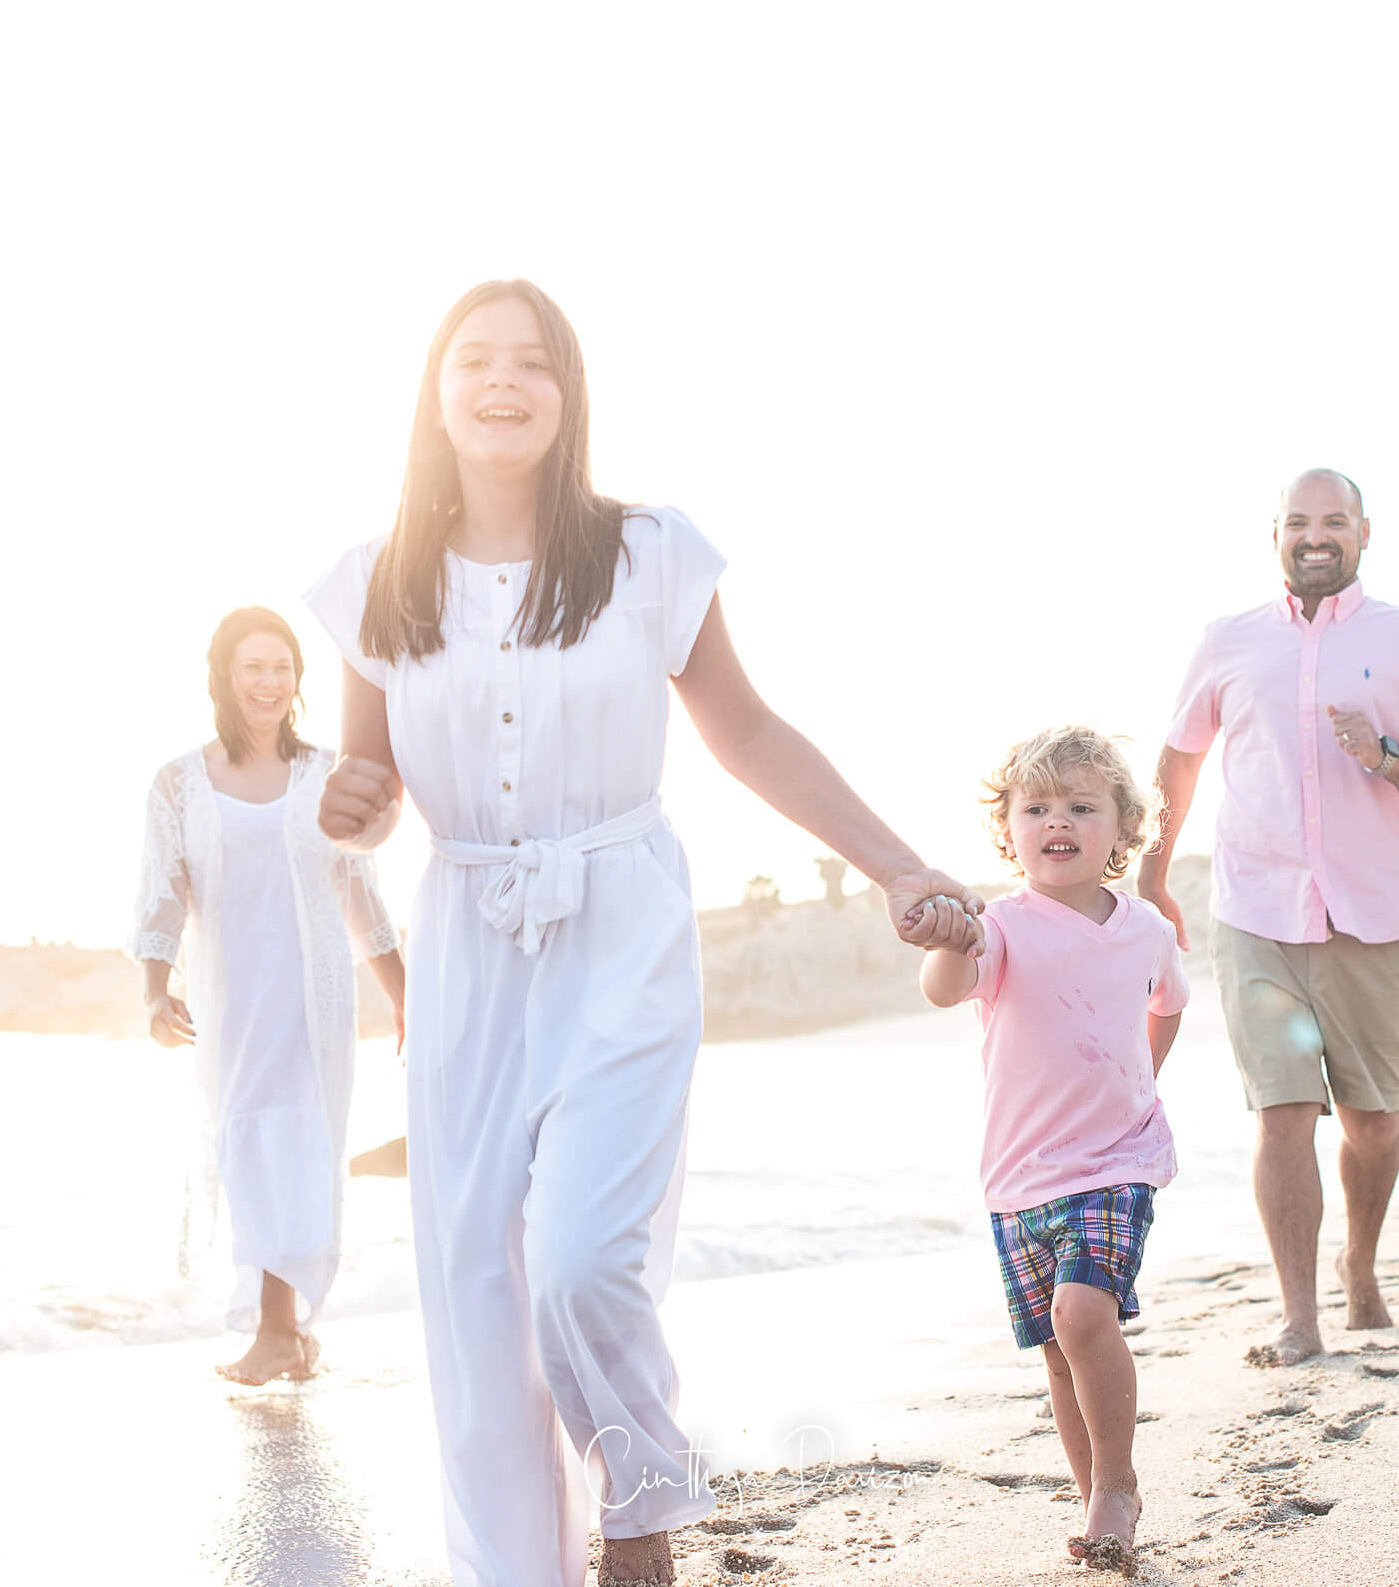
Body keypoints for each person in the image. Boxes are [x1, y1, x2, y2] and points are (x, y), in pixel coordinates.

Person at [302, 278, 980, 1587]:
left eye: (534, 363)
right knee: (477, 1295)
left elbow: (750, 732)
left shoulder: (647, 555)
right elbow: (370, 785)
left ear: (569, 395)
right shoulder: (375, 581)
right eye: (474, 361)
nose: (504, 382)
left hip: (621, 929)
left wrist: (897, 866)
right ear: (434, 396)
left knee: (578, 1259)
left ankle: (639, 1509)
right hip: (466, 947)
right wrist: (357, 800)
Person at [1138, 468, 1399, 1367]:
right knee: (1282, 1114)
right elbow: (1178, 767)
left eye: (1334, 520)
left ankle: (1359, 1265)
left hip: (1378, 915)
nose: (1315, 535)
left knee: (1372, 1121)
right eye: (1298, 521)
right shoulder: (1228, 641)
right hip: (1256, 910)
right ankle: (1300, 1316)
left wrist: (1389, 756)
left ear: (1365, 533)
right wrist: (1152, 875)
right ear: (1276, 536)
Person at [904, 725, 1187, 1571]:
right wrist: (950, 944)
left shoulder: (1146, 931)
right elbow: (945, 990)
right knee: (1060, 1354)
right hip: (1019, 1176)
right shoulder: (1000, 927)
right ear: (1010, 831)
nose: (1055, 820)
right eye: (1036, 807)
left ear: (1122, 831)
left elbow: (1168, 1004)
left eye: (1080, 805)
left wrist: (1144, 1078)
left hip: (1119, 1162)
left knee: (1083, 1313)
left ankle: (1116, 1485)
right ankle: (1096, 1494)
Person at [127, 606, 406, 1386]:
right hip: (231, 1001)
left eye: (282, 667)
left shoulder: (326, 775)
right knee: (249, 1150)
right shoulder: (180, 783)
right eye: (253, 667)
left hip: (313, 999)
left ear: (298, 679)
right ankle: (288, 1333)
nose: (269, 682)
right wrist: (155, 994)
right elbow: (163, 894)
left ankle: (279, 1333)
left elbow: (361, 894)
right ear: (224, 676)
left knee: (300, 1150)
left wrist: (404, 997)